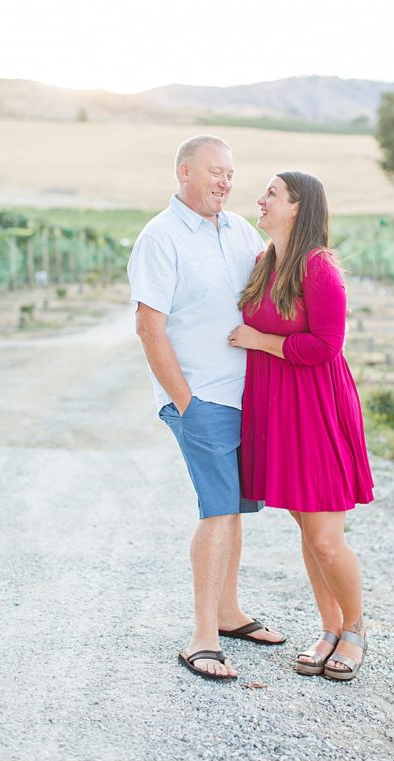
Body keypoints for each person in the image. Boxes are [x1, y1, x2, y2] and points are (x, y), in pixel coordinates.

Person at [129, 134, 286, 682]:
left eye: (230, 173)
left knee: (236, 506)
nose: (225, 181)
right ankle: (200, 636)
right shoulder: (161, 237)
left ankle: (229, 612)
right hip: (201, 398)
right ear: (184, 172)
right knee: (217, 509)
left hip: (246, 395)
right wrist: (185, 403)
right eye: (215, 171)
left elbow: (274, 276)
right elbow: (150, 327)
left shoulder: (239, 230)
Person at [228, 170, 375, 681]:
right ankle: (328, 627)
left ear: (299, 206)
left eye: (272, 193)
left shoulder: (319, 268)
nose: (261, 200)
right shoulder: (265, 262)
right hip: (279, 409)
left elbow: (326, 346)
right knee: (307, 530)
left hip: (316, 409)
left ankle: (354, 630)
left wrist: (257, 341)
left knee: (327, 537)